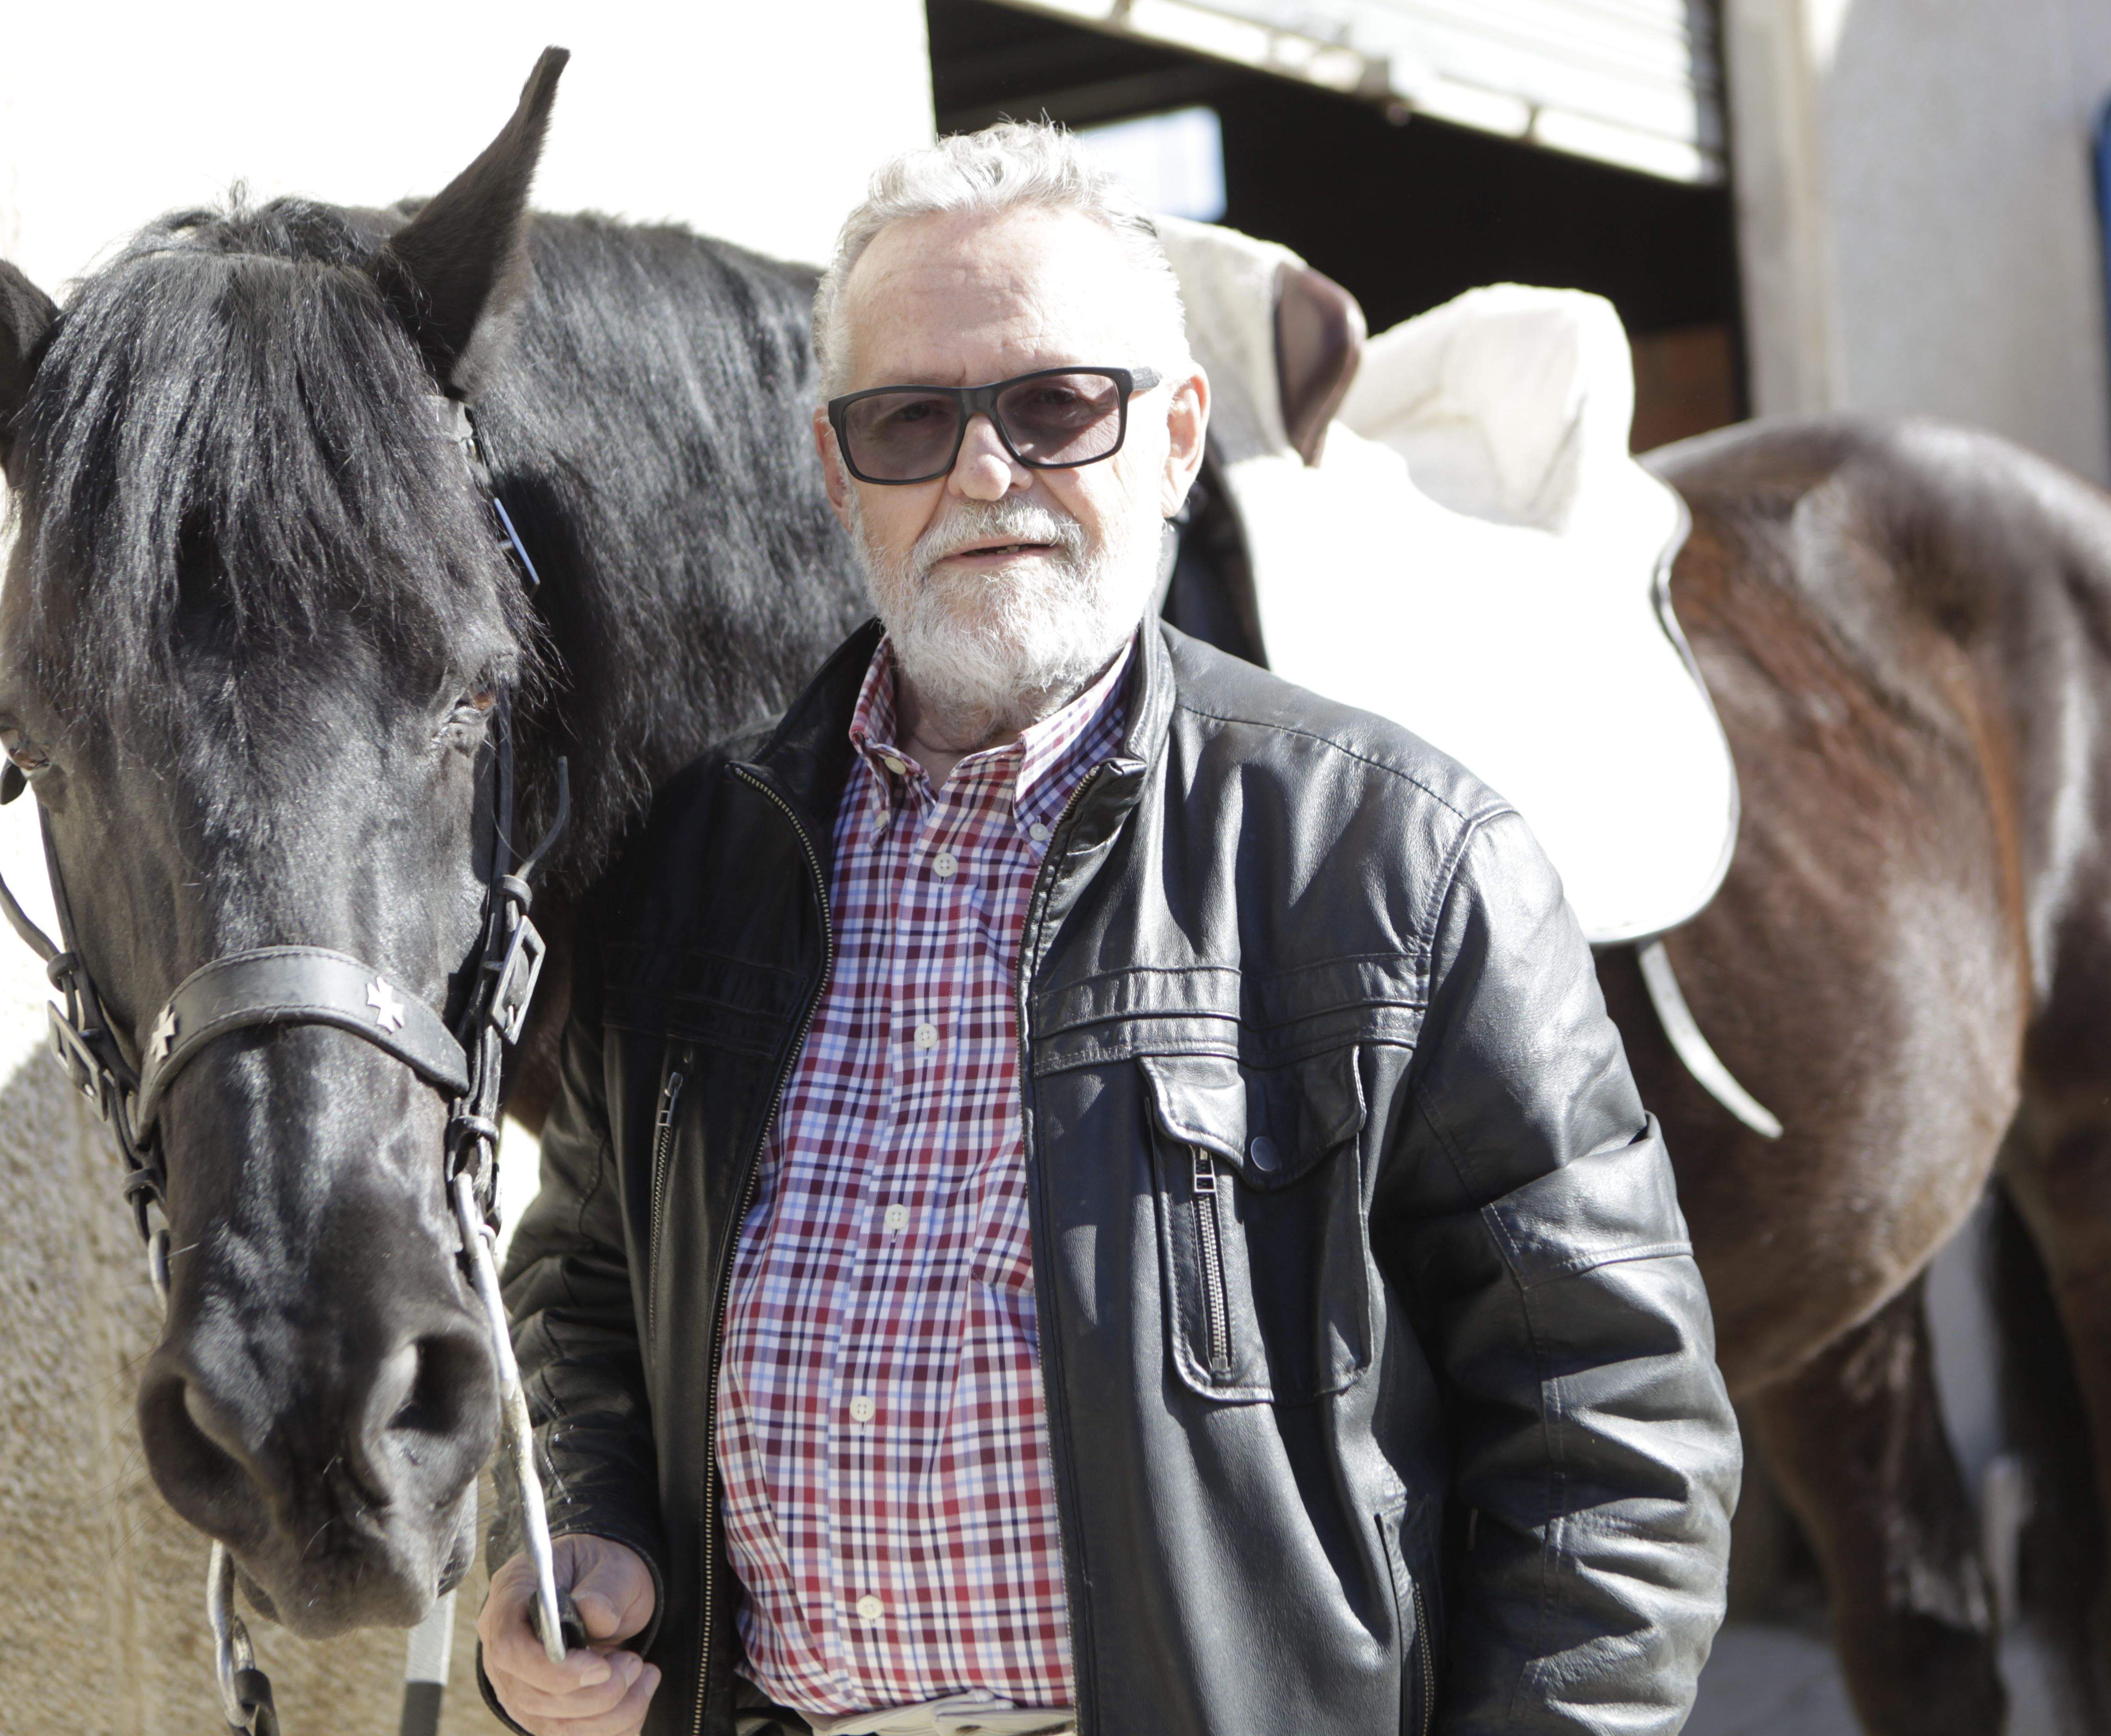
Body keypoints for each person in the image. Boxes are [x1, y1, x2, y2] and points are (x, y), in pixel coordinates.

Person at [478, 122, 1739, 1736]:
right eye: (910, 421)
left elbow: (1615, 1435)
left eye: (1056, 404)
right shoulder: (701, 869)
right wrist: (590, 1537)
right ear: (832, 471)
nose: (984, 473)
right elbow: (585, 1274)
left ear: (1176, 435)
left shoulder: (1402, 865)